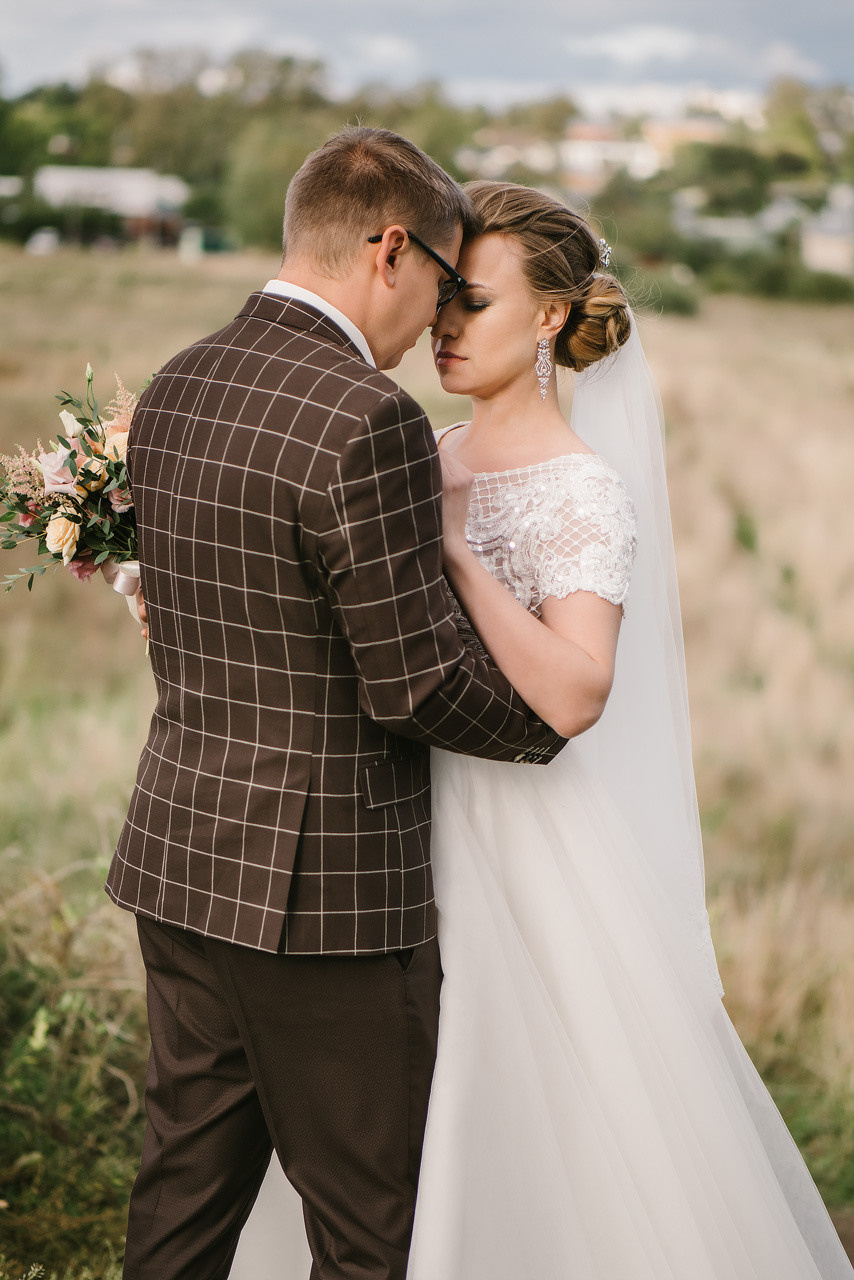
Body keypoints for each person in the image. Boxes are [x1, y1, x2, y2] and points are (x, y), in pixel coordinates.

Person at [234, 179, 854, 1278]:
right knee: (376, 1125)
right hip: (382, 830)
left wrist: (462, 554)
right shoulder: (407, 447)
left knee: (529, 1108)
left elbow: (573, 692)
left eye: (473, 301)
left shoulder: (581, 490)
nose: (443, 326)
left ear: (553, 317)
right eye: (440, 297)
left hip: (520, 836)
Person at [108, 133, 564, 1280]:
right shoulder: (369, 418)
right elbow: (408, 678)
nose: (434, 325)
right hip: (326, 900)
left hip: (179, 855)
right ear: (389, 248)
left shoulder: (178, 380)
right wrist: (547, 723)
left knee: (181, 1193)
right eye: (440, 286)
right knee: (371, 1227)